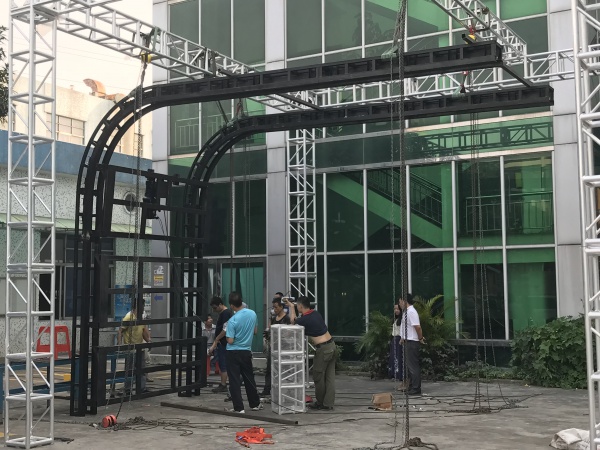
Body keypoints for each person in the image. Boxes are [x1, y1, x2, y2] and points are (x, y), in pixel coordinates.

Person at [286, 296, 335, 411]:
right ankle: (328, 403)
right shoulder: (315, 313)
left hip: (323, 349)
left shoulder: (305, 320)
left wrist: (291, 307)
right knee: (329, 377)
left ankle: (320, 403)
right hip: (332, 345)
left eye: (297, 306)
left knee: (318, 376)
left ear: (300, 306)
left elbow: (293, 322)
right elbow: (299, 320)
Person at [224, 291, 262, 413]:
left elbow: (230, 340)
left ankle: (239, 408)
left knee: (234, 381)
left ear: (231, 305)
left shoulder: (232, 320)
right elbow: (255, 331)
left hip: (233, 352)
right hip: (246, 351)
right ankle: (255, 404)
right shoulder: (252, 314)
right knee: (249, 378)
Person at [261, 293, 291, 397]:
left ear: (281, 307)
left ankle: (283, 390)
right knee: (269, 369)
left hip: (282, 348)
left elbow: (288, 334)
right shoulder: (274, 318)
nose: (275, 309)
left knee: (282, 370)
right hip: (273, 347)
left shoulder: (286, 319)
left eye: (276, 307)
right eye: (273, 307)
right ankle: (267, 389)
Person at [117, 302, 151, 394]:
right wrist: (120, 345)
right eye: (142, 307)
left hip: (140, 348)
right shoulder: (128, 317)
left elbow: (143, 331)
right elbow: (120, 331)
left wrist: (148, 341)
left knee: (141, 369)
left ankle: (141, 388)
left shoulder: (141, 317)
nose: (143, 309)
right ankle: (128, 389)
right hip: (131, 349)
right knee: (129, 370)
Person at [398, 294, 425, 396]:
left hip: (412, 342)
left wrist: (420, 338)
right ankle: (412, 386)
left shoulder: (411, 312)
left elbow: (417, 327)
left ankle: (416, 388)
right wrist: (402, 338)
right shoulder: (407, 312)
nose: (399, 304)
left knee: (413, 366)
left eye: (400, 302)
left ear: (404, 301)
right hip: (407, 341)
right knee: (409, 366)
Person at [209, 296, 232, 393]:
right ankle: (223, 383)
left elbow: (225, 329)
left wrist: (217, 339)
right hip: (222, 342)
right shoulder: (223, 313)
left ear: (220, 304)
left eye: (215, 308)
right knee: (223, 363)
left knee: (223, 364)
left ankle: (223, 384)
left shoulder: (226, 313)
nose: (214, 310)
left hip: (223, 343)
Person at [389, 304, 404, 384]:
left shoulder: (402, 319)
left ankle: (399, 374)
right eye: (395, 309)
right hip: (394, 339)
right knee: (393, 357)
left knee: (398, 357)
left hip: (399, 339)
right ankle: (393, 373)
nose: (396, 310)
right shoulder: (395, 319)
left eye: (398, 309)